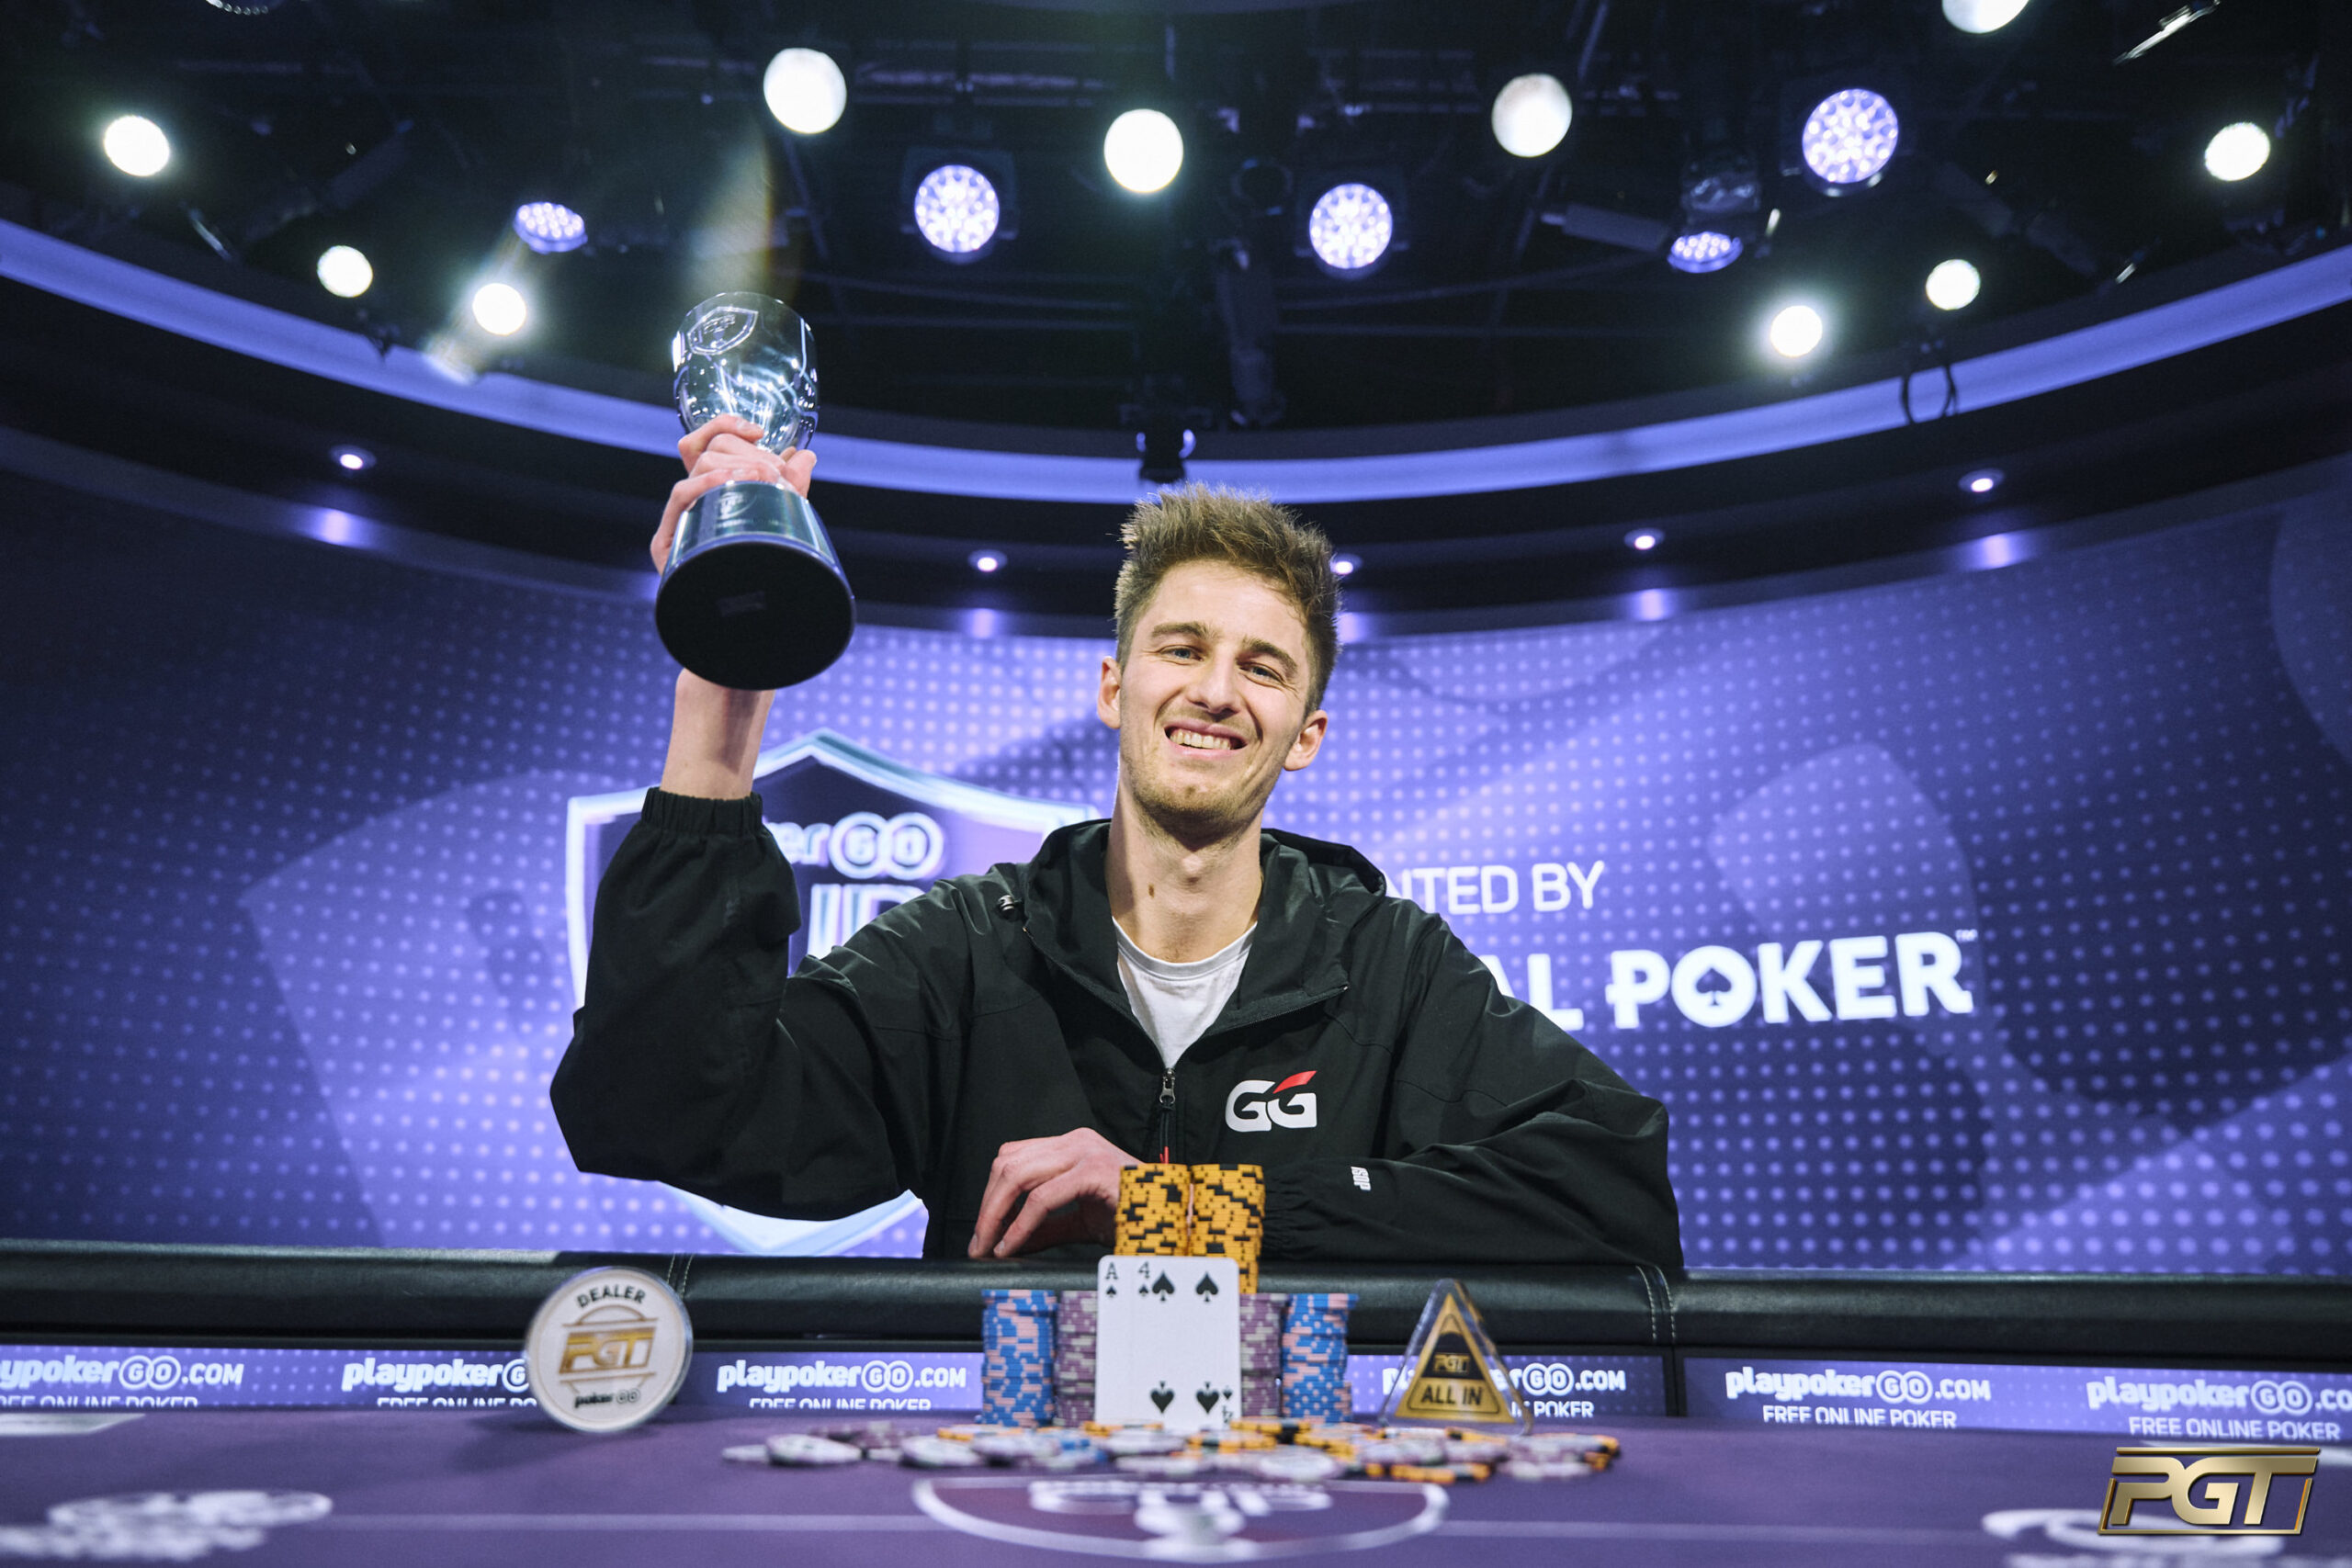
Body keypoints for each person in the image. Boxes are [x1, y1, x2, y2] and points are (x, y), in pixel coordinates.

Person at [552, 415, 1682, 1266]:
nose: (1215, 690)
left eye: (1262, 667)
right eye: (1181, 648)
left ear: (1306, 734)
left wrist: (1183, 1211)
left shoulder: (1385, 965)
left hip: (1297, 1482)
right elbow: (655, 1111)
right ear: (1113, 686)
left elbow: (1613, 1189)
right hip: (999, 1486)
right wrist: (723, 685)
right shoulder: (969, 951)